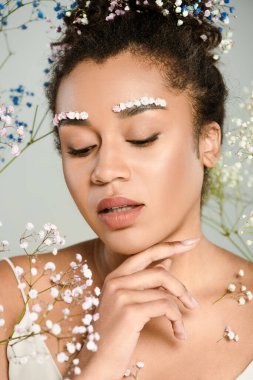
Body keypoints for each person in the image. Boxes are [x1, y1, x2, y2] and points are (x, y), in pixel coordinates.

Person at [1, 1, 253, 379]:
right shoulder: (12, 299)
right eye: (81, 147)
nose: (105, 171)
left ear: (208, 143)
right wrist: (100, 361)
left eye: (142, 138)